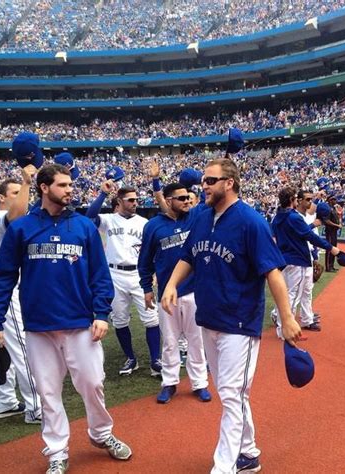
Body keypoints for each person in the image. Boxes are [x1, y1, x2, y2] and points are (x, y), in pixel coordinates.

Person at [0, 164, 131, 474]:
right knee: (48, 391)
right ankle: (56, 451)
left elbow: (99, 275)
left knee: (93, 383)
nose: (70, 190)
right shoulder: (22, 228)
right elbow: (3, 276)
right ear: (43, 187)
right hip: (39, 326)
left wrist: (102, 313)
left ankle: (101, 434)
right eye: (63, 185)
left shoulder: (83, 226)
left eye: (70, 185)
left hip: (80, 322)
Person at [162, 158, 302, 474]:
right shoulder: (201, 218)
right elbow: (188, 256)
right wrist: (171, 284)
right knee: (233, 393)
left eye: (210, 180)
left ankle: (224, 467)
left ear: (229, 183)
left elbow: (273, 273)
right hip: (208, 318)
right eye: (203, 181)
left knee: (230, 393)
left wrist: (287, 316)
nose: (204, 186)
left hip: (240, 323)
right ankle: (249, 454)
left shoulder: (251, 222)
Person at [139, 182, 211, 404]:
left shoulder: (195, 217)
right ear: (168, 201)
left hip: (194, 290)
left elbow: (211, 197)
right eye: (181, 198)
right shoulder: (153, 226)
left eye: (188, 197)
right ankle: (169, 383)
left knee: (196, 340)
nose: (187, 201)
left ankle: (199, 383)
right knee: (170, 342)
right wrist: (146, 288)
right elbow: (144, 260)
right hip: (167, 294)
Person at [86, 181, 161, 377]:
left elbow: (153, 251)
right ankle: (131, 358)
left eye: (136, 199)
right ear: (119, 201)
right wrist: (102, 193)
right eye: (131, 200)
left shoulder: (144, 223)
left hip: (138, 274)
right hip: (115, 275)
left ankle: (155, 361)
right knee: (120, 320)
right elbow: (89, 216)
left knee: (151, 319)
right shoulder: (109, 220)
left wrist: (152, 274)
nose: (135, 202)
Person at [0, 166, 42, 424]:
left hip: (8, 291)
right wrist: (27, 182)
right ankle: (35, 408)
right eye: (16, 192)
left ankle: (6, 402)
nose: (22, 196)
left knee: (6, 350)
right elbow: (18, 214)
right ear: (1, 197)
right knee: (23, 350)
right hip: (7, 294)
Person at [271, 187, 341, 335]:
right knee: (293, 296)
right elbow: (310, 236)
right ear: (292, 200)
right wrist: (331, 248)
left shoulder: (277, 217)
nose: (297, 201)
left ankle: (294, 320)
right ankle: (284, 328)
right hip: (298, 260)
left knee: (290, 293)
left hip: (285, 259)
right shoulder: (294, 217)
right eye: (296, 199)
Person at [324, 194, 342, 272]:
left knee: (334, 248)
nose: (335, 201)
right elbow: (327, 221)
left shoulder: (333, 208)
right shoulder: (327, 209)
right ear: (330, 200)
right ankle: (328, 267)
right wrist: (337, 225)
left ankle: (332, 266)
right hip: (330, 231)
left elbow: (337, 217)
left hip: (334, 231)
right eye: (333, 199)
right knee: (329, 248)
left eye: (335, 199)